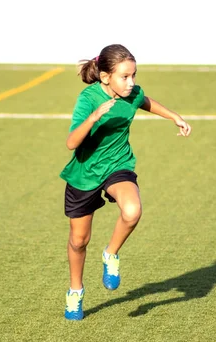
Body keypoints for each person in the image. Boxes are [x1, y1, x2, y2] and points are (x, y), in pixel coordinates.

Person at [60, 44, 191, 320]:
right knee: (79, 240)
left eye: (133, 75)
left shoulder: (130, 94)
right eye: (125, 77)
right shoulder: (88, 99)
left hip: (118, 165)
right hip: (85, 173)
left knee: (132, 211)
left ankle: (111, 254)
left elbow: (146, 101)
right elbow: (71, 143)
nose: (131, 83)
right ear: (106, 77)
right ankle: (75, 292)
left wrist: (175, 117)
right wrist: (95, 117)